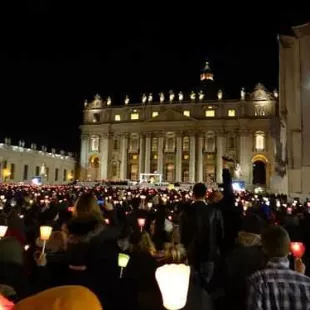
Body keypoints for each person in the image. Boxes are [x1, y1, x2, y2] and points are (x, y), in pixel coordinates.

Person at [247, 225, 310, 310]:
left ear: (264, 249)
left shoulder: (257, 281)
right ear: (289, 250)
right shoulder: (306, 282)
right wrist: (300, 276)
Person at [180, 183, 224, 286]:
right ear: (205, 195)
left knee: (191, 286)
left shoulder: (186, 212)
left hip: (191, 254)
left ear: (193, 195)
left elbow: (182, 234)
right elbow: (221, 234)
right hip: (209, 254)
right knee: (206, 285)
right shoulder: (215, 211)